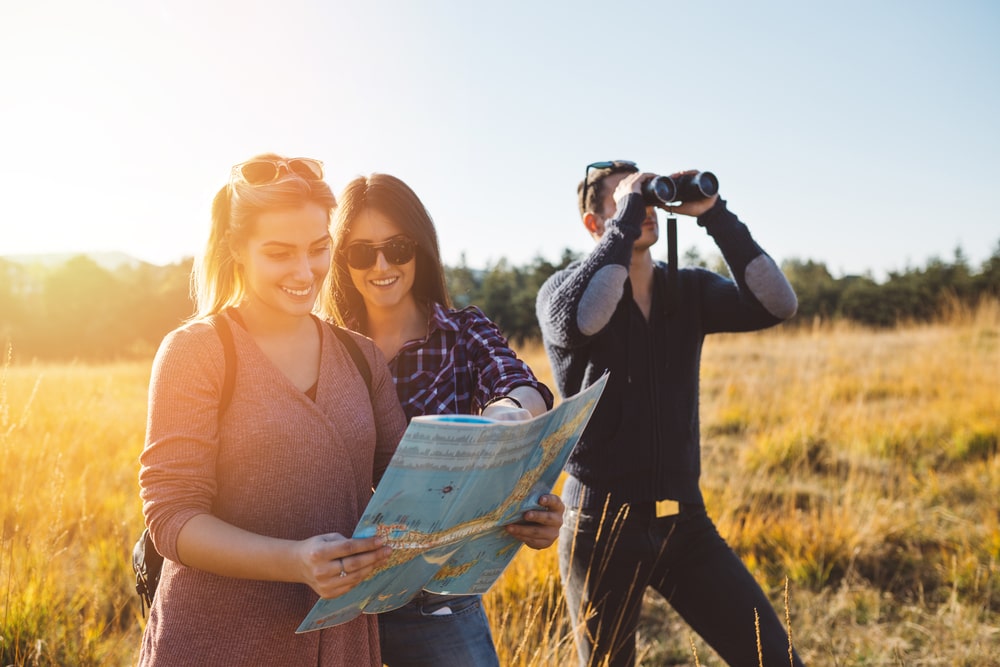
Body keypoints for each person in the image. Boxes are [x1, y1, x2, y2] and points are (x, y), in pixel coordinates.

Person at [138, 154, 408, 666]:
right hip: (218, 642)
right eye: (280, 253)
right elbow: (171, 517)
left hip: (342, 643)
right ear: (236, 248)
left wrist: (511, 509)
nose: (305, 272)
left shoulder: (360, 356)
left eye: (318, 249)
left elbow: (411, 486)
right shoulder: (197, 350)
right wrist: (295, 562)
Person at [535, 161, 804, 666]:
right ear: (595, 225)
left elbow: (777, 304)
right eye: (626, 200)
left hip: (684, 520)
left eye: (648, 200)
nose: (645, 211)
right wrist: (627, 217)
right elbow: (588, 317)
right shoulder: (561, 292)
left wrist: (715, 214)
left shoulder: (688, 289)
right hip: (601, 525)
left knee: (774, 658)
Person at [322, 172, 562, 667]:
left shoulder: (462, 331)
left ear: (422, 248)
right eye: (362, 252)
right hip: (336, 595)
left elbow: (520, 386)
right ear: (340, 260)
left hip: (436, 600)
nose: (382, 265)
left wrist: (502, 421)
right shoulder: (321, 346)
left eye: (398, 246)